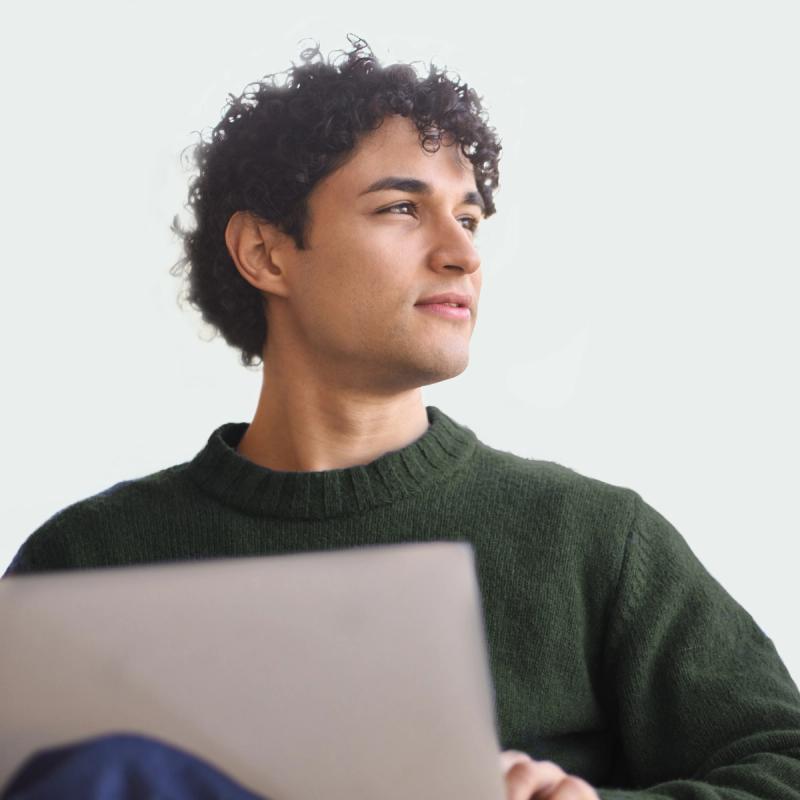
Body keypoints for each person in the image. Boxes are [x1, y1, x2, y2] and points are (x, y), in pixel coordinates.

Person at [4, 34, 800, 800]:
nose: (462, 253)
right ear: (266, 252)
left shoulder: (591, 538)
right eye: (400, 209)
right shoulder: (87, 559)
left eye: (471, 217)